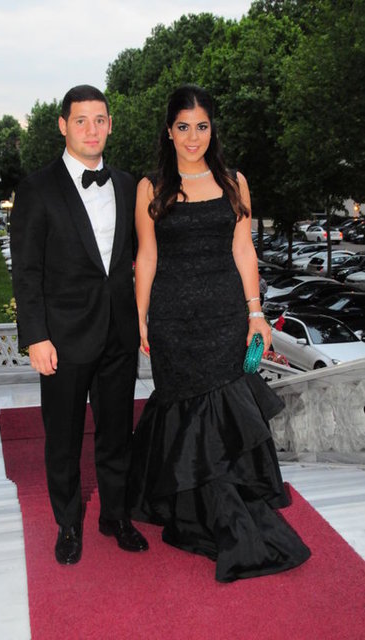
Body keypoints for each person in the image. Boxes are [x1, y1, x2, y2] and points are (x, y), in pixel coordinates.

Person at [128, 85, 310, 582]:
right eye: (183, 127)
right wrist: (140, 315)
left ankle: (225, 517)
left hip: (225, 318)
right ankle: (198, 513)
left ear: (213, 129)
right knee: (186, 407)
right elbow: (147, 255)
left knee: (219, 412)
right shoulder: (151, 187)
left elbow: (243, 249)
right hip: (173, 321)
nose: (193, 137)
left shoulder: (234, 182)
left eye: (202, 126)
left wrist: (256, 313)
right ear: (169, 132)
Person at [11, 84, 148, 565]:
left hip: (118, 333)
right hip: (63, 338)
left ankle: (115, 516)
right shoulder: (37, 188)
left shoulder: (128, 185)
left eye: (100, 120)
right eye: (81, 120)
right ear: (63, 126)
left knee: (117, 433)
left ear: (110, 125)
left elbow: (141, 256)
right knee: (64, 438)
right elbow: (26, 271)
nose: (92, 130)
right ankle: (68, 524)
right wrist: (35, 336)